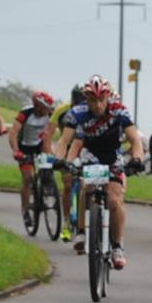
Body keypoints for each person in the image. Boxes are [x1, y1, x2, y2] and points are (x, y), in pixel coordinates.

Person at [51, 76, 146, 269]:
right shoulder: (77, 113)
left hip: (112, 157)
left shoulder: (119, 111)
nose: (98, 105)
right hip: (91, 155)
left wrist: (137, 160)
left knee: (113, 199)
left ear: (108, 97)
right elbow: (63, 141)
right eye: (93, 100)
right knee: (87, 187)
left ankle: (118, 246)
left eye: (101, 99)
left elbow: (135, 140)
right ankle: (81, 232)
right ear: (86, 99)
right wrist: (61, 161)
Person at [9, 90, 59, 220]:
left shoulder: (51, 113)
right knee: (27, 178)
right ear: (37, 106)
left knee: (48, 167)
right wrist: (16, 151)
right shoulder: (26, 113)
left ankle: (47, 184)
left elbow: (55, 131)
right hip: (24, 147)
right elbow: (13, 132)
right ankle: (25, 210)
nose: (47, 111)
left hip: (40, 145)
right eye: (45, 108)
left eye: (49, 109)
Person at [55, 83, 87, 241]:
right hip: (68, 149)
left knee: (84, 184)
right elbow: (62, 140)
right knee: (67, 184)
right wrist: (59, 160)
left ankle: (86, 224)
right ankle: (66, 223)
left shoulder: (91, 112)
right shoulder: (64, 113)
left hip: (85, 149)